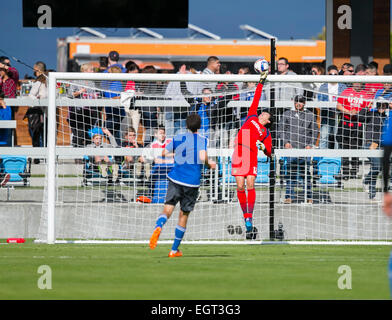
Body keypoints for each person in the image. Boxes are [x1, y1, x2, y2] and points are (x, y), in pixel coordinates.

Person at [149, 113, 216, 257]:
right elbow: (203, 157)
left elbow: (163, 152)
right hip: (191, 182)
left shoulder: (178, 138)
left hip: (175, 178)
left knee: (167, 210)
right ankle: (174, 250)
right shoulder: (202, 139)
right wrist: (209, 164)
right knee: (183, 215)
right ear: (199, 126)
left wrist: (176, 154)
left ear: (186, 125)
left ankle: (159, 226)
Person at [231, 68, 272, 233]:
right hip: (240, 152)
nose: (262, 115)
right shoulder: (251, 117)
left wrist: (263, 147)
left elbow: (269, 150)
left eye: (265, 116)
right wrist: (261, 82)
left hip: (252, 155)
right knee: (240, 186)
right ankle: (245, 215)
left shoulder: (265, 132)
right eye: (262, 113)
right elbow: (256, 97)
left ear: (267, 121)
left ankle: (249, 216)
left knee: (250, 184)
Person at [279, 95, 318, 204]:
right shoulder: (286, 114)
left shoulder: (310, 115)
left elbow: (314, 131)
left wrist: (310, 144)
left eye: (301, 102)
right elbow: (281, 129)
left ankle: (308, 196)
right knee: (290, 173)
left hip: (305, 149)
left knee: (305, 173)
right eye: (297, 101)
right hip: (291, 148)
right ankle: (289, 197)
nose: (299, 104)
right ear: (293, 101)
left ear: (304, 103)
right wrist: (286, 142)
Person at [336, 78, 372, 179]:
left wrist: (359, 113)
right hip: (345, 123)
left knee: (356, 147)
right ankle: (346, 172)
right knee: (344, 147)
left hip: (358, 124)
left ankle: (354, 171)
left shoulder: (366, 94)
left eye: (359, 82)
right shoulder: (346, 92)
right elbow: (338, 105)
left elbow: (368, 108)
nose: (357, 84)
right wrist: (349, 111)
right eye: (355, 82)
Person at [360, 99, 388, 200]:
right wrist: (366, 107)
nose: (381, 108)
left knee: (376, 168)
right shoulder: (371, 114)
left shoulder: (387, 118)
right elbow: (360, 117)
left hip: (380, 145)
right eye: (380, 105)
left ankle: (372, 194)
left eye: (384, 106)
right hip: (369, 144)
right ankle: (366, 181)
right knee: (377, 166)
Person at [317, 65, 347, 149]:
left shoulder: (343, 86)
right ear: (328, 74)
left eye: (335, 74)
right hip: (327, 114)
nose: (333, 76)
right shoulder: (323, 86)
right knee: (324, 137)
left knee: (337, 138)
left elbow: (345, 101)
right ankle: (322, 158)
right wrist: (329, 107)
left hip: (339, 115)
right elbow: (320, 101)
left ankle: (337, 158)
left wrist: (338, 108)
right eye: (331, 74)